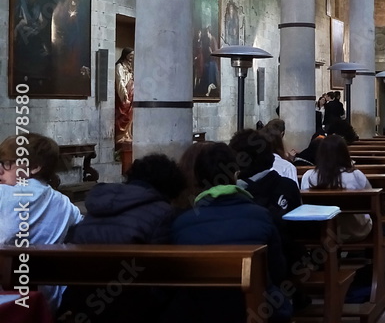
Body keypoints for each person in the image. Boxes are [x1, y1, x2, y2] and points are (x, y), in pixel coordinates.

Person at [171, 141, 290, 323]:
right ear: (236, 174)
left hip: (201, 311)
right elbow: (278, 270)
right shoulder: (262, 216)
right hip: (254, 308)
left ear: (197, 178)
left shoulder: (182, 223)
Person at [62, 154, 186, 322]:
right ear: (170, 187)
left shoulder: (98, 204)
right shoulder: (163, 213)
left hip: (83, 301)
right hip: (134, 307)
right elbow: (161, 274)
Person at [0, 133, 83, 310]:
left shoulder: (3, 194)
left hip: (6, 299)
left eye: (8, 164)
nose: (1, 170)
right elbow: (81, 230)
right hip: (46, 301)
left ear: (35, 167)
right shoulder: (65, 205)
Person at [300, 135, 372, 242]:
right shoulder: (356, 175)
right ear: (345, 153)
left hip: (320, 231)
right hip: (353, 230)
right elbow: (371, 200)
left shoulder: (309, 176)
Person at [114, 47, 134, 165]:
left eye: (132, 56)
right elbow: (120, 81)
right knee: (123, 115)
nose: (131, 58)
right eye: (130, 56)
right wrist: (124, 94)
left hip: (131, 95)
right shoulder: (119, 66)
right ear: (125, 55)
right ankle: (121, 136)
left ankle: (127, 135)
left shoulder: (129, 67)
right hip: (124, 96)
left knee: (130, 115)